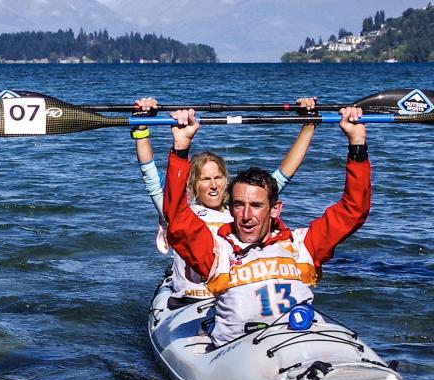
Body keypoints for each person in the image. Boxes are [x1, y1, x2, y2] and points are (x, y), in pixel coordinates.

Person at [162, 106, 369, 346]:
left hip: (298, 342)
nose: (247, 215)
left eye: (257, 205)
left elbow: (354, 211)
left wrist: (357, 143)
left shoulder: (303, 245)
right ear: (230, 208)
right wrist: (181, 147)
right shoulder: (217, 253)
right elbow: (177, 219)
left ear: (274, 209)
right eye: (239, 205)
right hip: (237, 352)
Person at [131, 97, 318, 306]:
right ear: (193, 183)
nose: (214, 186)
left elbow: (284, 173)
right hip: (191, 300)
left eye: (218, 178)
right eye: (205, 179)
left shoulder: (241, 210)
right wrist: (141, 126)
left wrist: (309, 124)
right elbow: (148, 171)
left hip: (233, 297)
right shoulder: (178, 211)